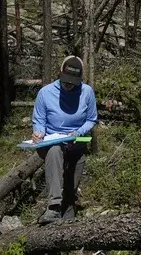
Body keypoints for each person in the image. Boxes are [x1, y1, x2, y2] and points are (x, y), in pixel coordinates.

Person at [32, 55, 97, 224]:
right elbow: (39, 120)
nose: (68, 85)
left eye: (72, 82)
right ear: (60, 74)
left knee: (71, 182)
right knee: (54, 151)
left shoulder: (87, 92)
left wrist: (78, 132)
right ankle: (53, 206)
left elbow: (91, 119)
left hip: (76, 142)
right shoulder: (45, 93)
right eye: (66, 80)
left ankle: (68, 212)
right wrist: (39, 132)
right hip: (51, 142)